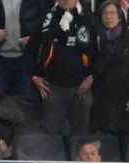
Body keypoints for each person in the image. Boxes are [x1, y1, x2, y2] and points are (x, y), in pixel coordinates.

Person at [28, 0, 99, 137]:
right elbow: (31, 50)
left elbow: (99, 52)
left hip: (81, 88)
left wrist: (91, 77)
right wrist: (34, 76)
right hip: (52, 87)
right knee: (49, 135)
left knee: (81, 135)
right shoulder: (46, 19)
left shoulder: (88, 19)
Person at [91, 1, 129, 162]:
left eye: (112, 13)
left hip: (124, 97)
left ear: (120, 17)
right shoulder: (95, 36)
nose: (108, 17)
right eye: (105, 13)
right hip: (101, 97)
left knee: (124, 142)